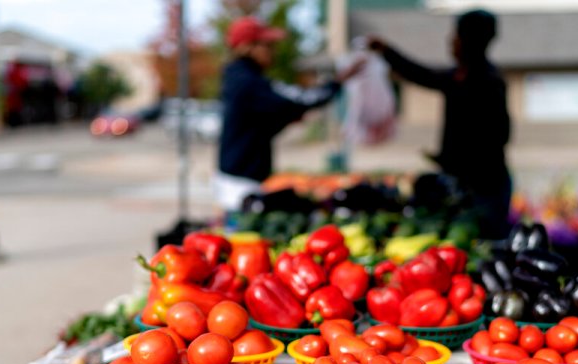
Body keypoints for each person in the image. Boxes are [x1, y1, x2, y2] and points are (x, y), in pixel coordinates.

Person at [369, 10, 512, 239]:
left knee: (484, 242)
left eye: (456, 36)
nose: (450, 41)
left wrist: (457, 160)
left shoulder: (488, 83)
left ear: (470, 41)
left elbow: (499, 136)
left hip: (485, 188)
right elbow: (422, 75)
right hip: (464, 182)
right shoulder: (458, 76)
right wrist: (386, 52)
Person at [215, 16, 361, 216]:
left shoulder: (240, 79)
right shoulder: (248, 82)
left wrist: (285, 117)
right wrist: (338, 81)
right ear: (249, 47)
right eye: (268, 45)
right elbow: (301, 99)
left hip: (238, 176)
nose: (273, 51)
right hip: (242, 183)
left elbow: (259, 123)